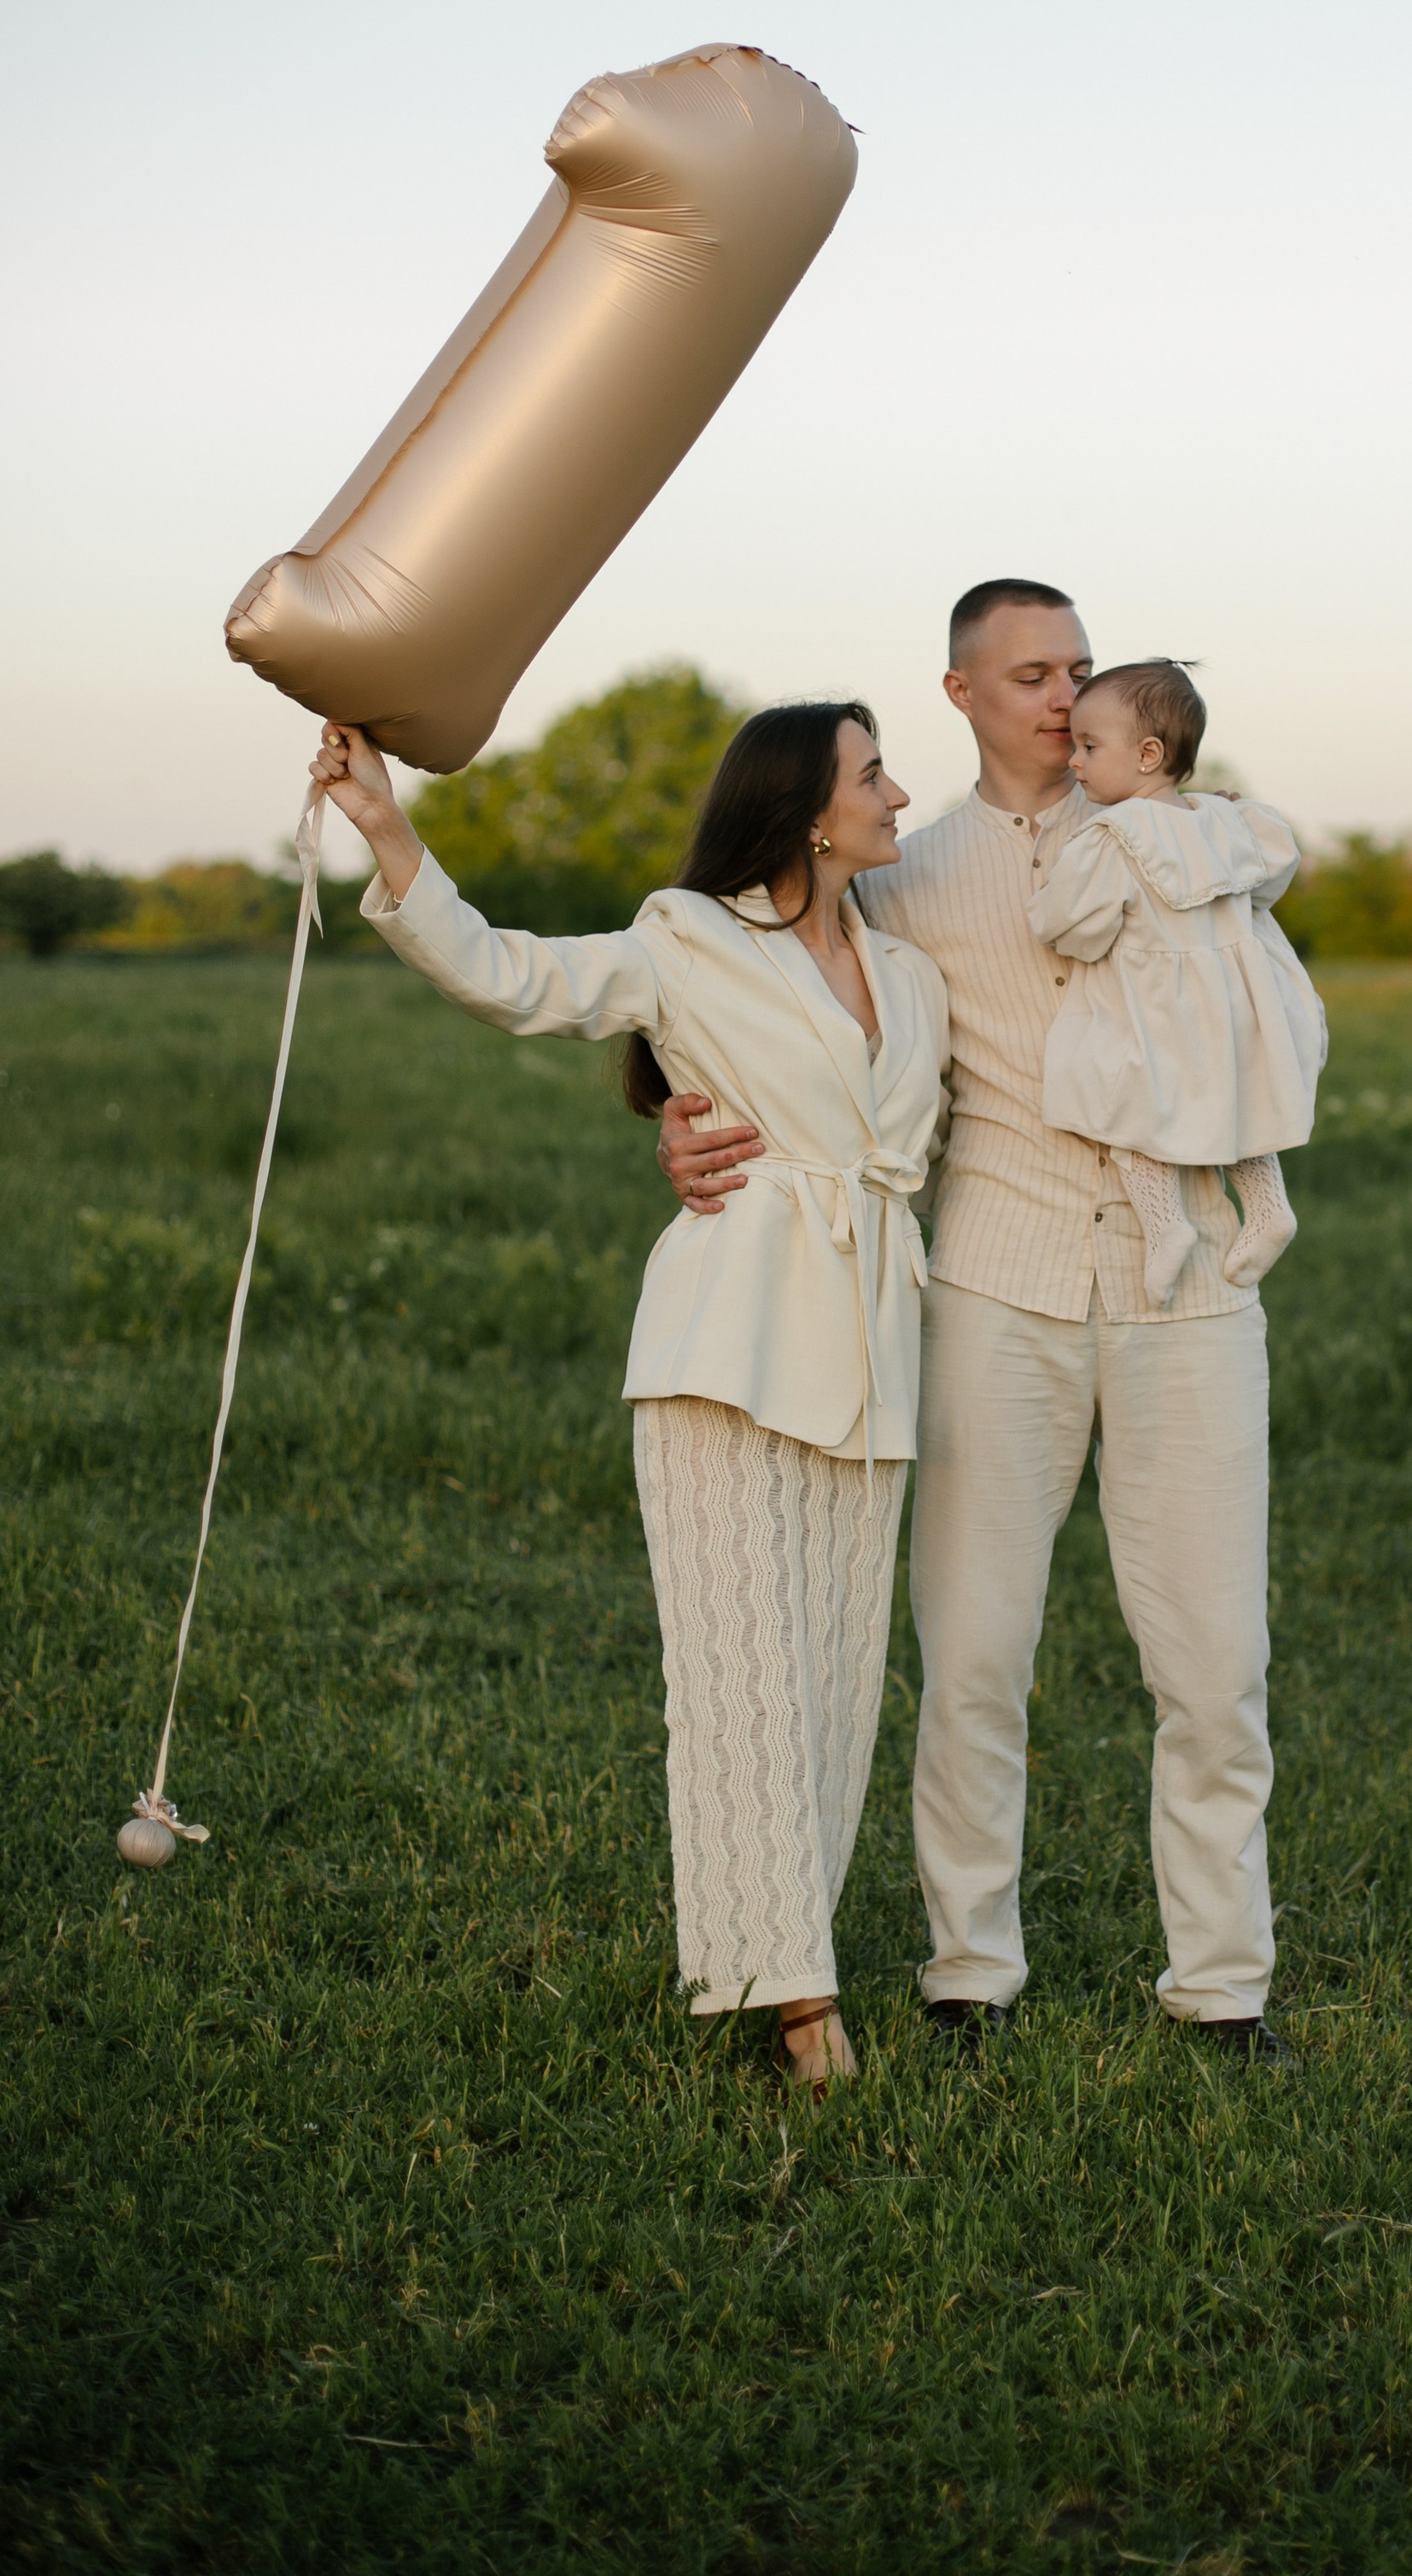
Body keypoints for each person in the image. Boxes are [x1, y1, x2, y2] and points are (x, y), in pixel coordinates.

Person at [662, 583, 1291, 2061]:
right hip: (998, 1291)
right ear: (961, 693)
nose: (1066, 697)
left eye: (1082, 670)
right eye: (1031, 675)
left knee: (1215, 1666)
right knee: (975, 1660)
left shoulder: (1195, 836)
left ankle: (1223, 1990)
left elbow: (1255, 1005)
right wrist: (681, 1122)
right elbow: (767, 1005)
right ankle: (969, 1977)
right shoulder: (907, 875)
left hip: (1192, 1289)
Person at [308, 701, 948, 2097]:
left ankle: (785, 1948)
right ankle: (799, 2002)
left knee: (837, 1678)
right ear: (806, 812)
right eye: (873, 773)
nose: (899, 793)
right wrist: (388, 825)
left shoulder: (913, 971)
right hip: (727, 1343)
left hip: (873, 1350)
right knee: (741, 1675)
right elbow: (515, 977)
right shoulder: (687, 935)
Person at [1030, 657, 1325, 1304]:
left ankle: (1166, 1225)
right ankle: (1267, 1206)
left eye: (1089, 746)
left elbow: (1074, 929)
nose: (1074, 761)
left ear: (1147, 754)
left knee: (1130, 1106)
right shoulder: (1227, 820)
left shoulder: (1114, 836)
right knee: (1242, 1100)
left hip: (1157, 1009)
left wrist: (1052, 893)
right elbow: (1267, 883)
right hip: (1235, 1007)